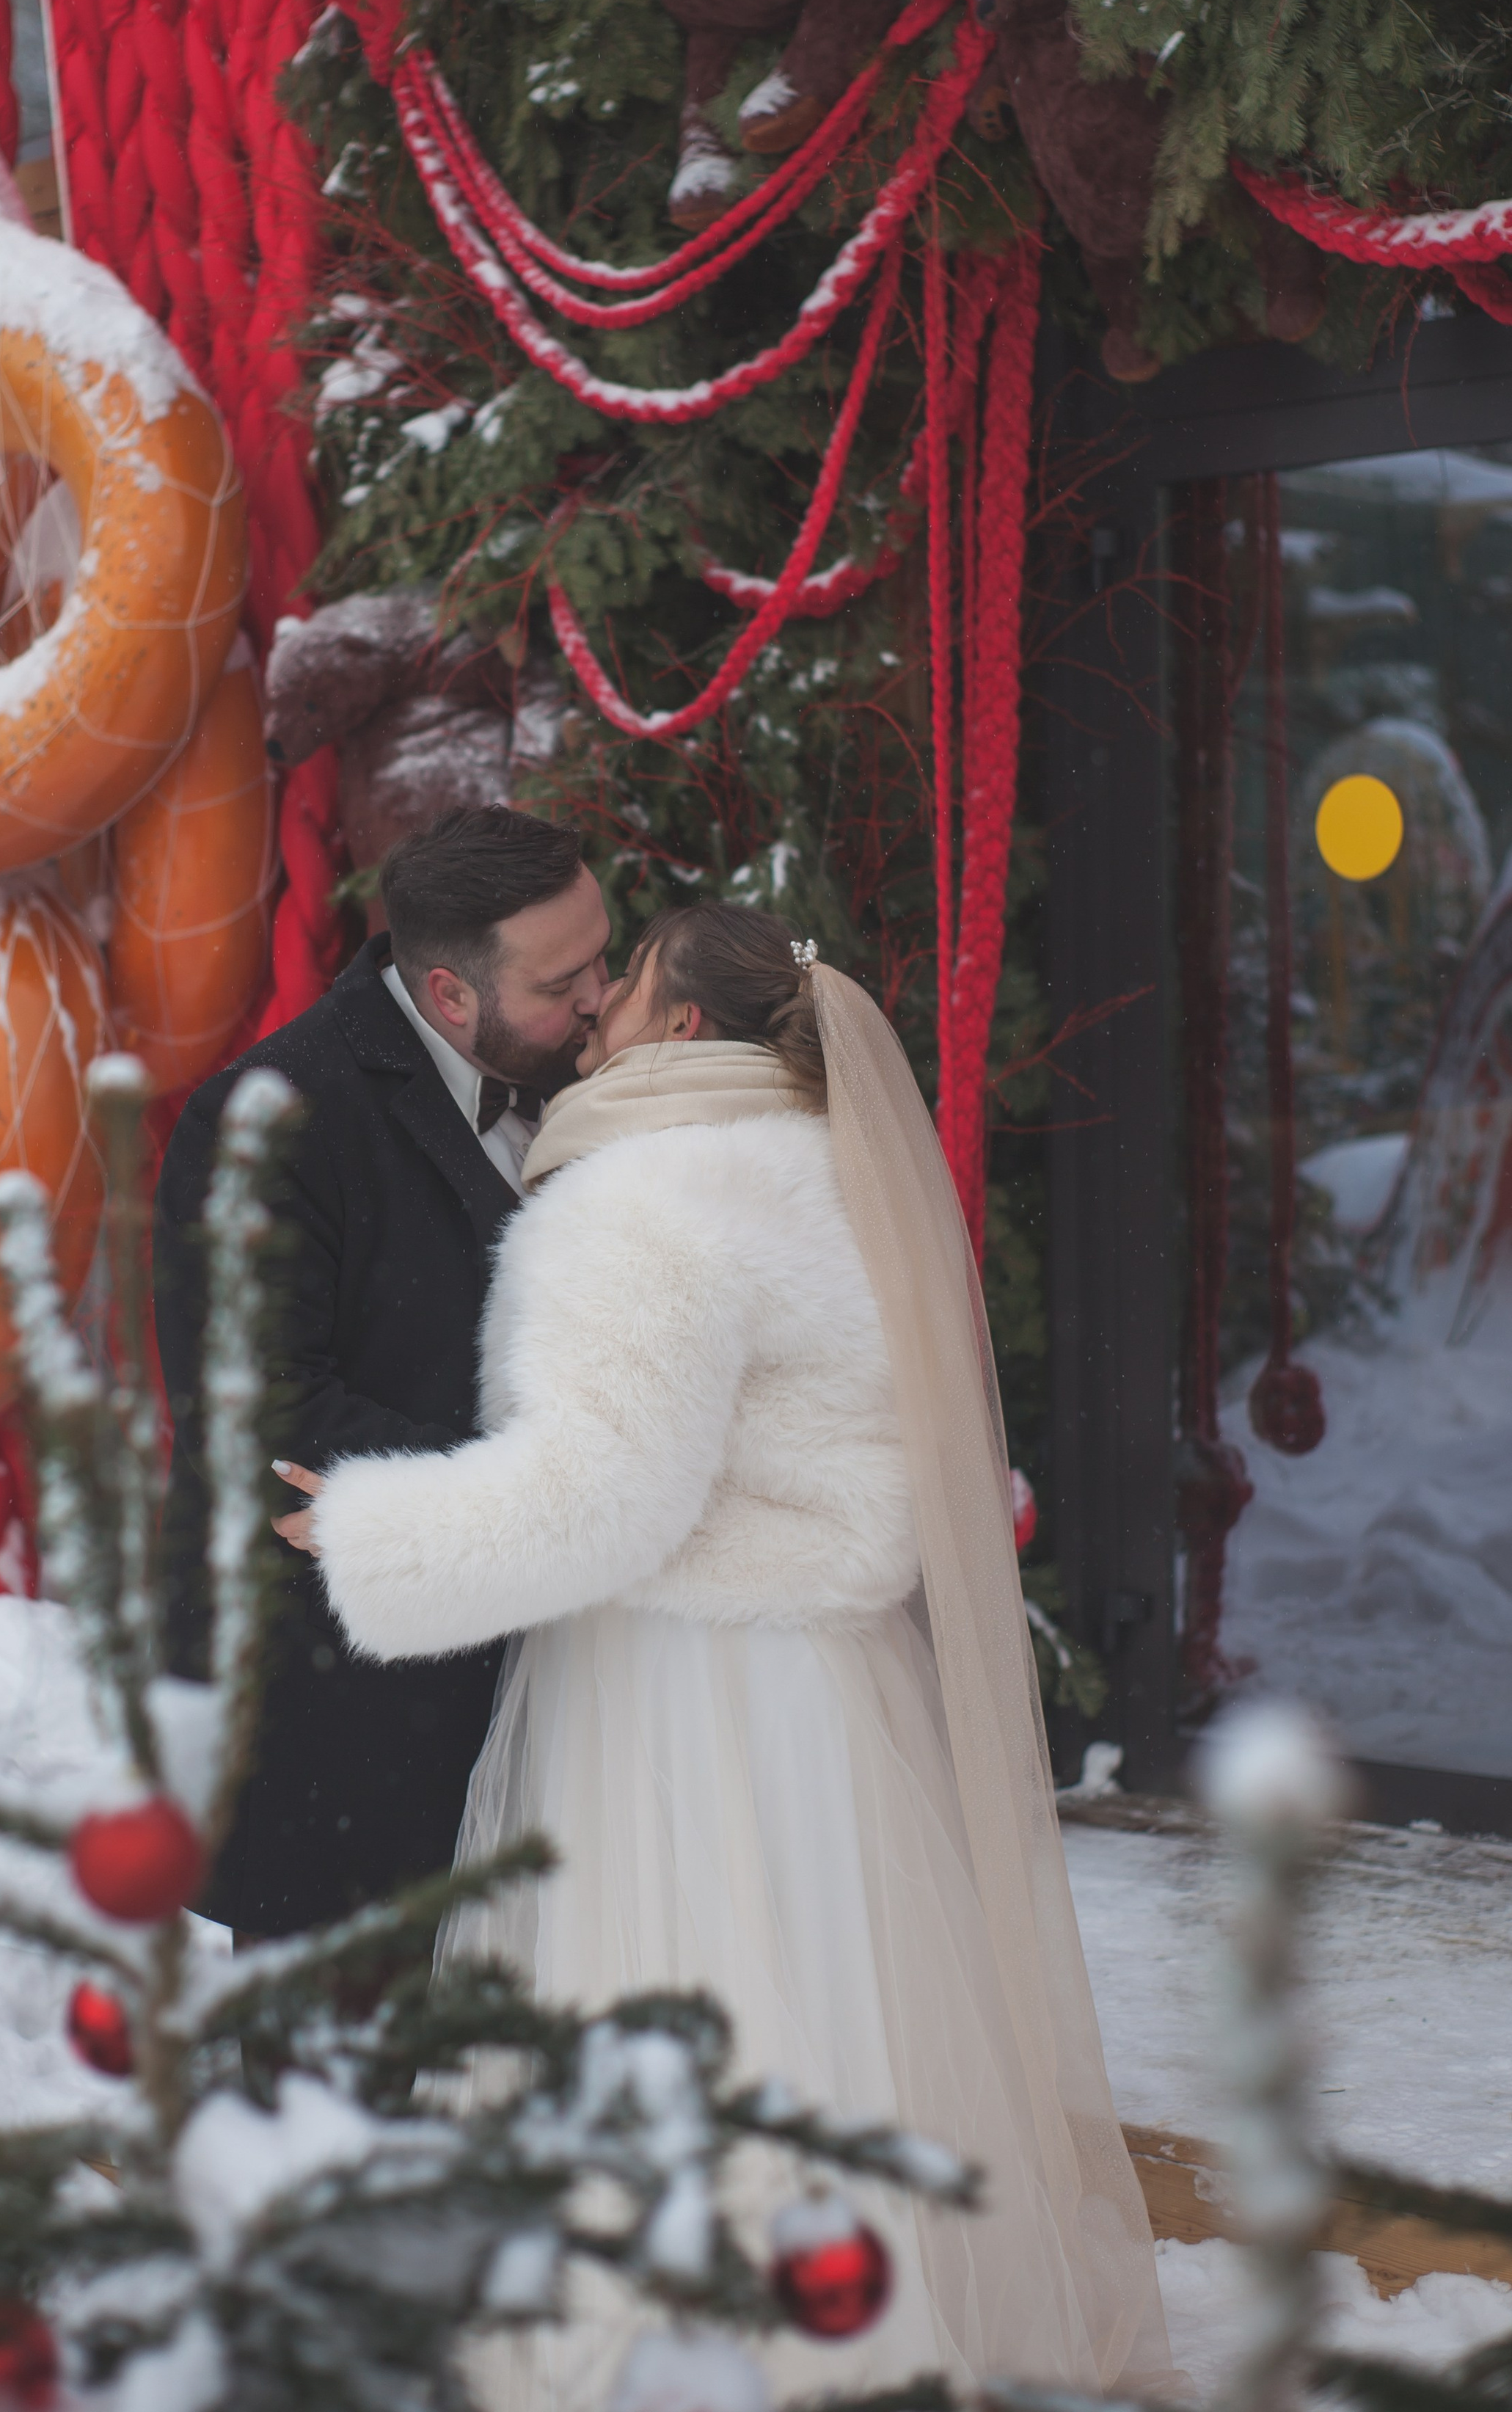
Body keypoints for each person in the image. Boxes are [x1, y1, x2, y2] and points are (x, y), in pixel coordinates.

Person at [280, 907, 1175, 2400]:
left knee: (693, 2016)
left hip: (679, 1688)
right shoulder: (832, 1178)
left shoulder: (644, 1196)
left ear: (679, 1028)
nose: (588, 1011)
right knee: (827, 2017)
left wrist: (375, 1534)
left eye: (616, 983)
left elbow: (601, 1496)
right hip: (821, 1687)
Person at [155, 804, 611, 1936]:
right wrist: (548, 1495)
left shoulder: (587, 1073)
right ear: (453, 995)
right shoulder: (273, 1118)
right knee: (340, 2096)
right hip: (347, 1721)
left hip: (556, 1709)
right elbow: (264, 1413)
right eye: (565, 981)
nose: (602, 997)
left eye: (606, 953)